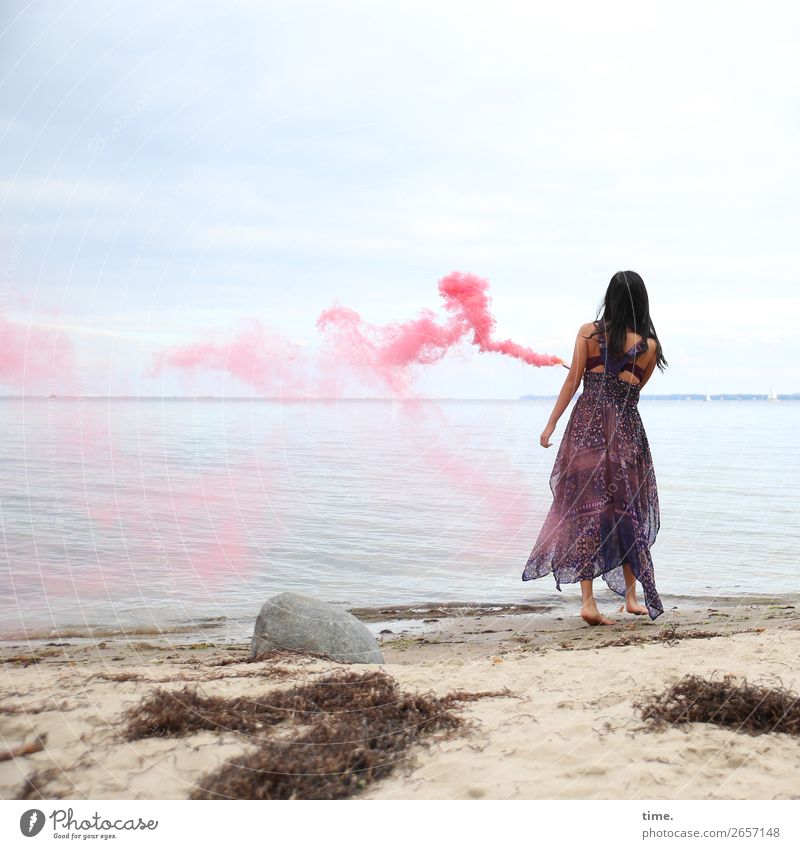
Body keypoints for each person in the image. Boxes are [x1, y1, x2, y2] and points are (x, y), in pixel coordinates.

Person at [521, 271, 668, 626]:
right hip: (627, 433)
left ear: (610, 297)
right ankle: (632, 598)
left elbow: (574, 381)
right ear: (642, 301)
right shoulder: (650, 346)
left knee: (585, 511)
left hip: (586, 430)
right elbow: (633, 393)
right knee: (628, 509)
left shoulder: (589, 332)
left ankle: (588, 602)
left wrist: (550, 424)